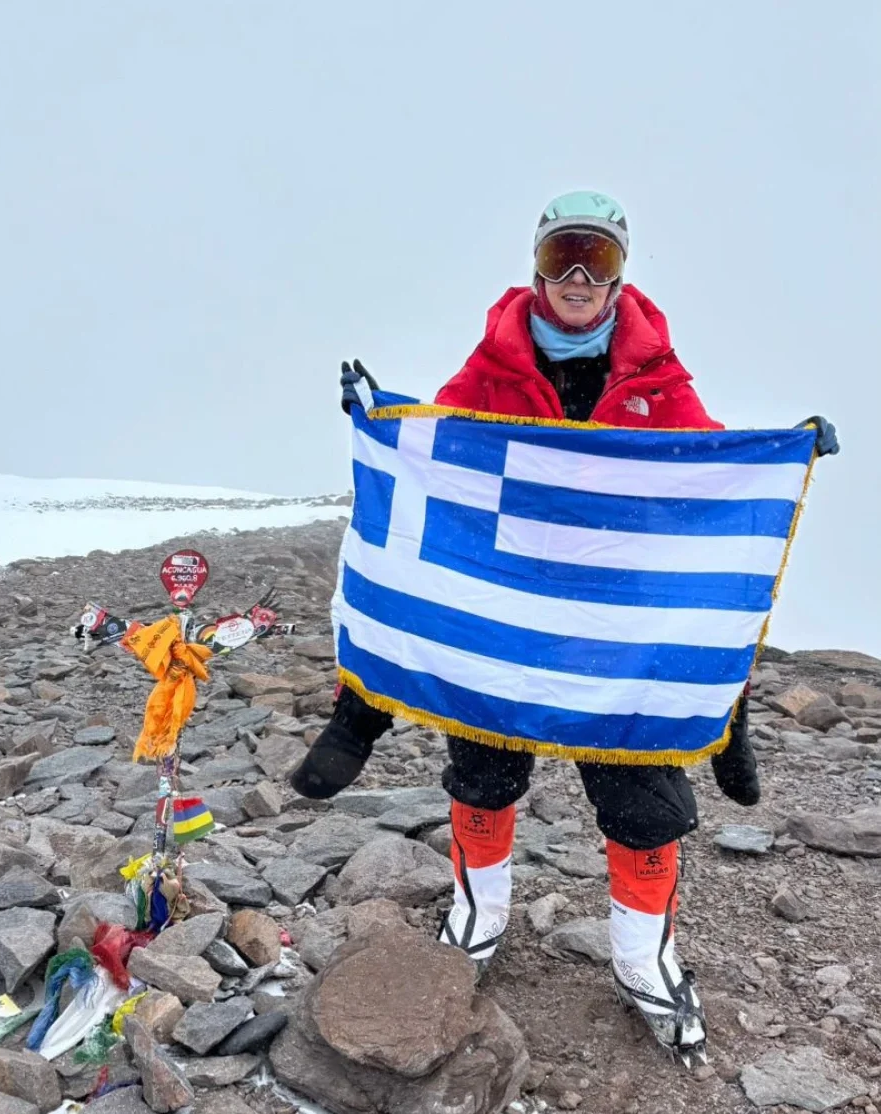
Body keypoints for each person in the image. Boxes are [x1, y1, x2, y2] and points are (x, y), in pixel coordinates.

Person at [290, 190, 839, 1064]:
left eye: (599, 259)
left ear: (622, 272)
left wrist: (780, 454)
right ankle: (481, 912)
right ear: (537, 265)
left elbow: (701, 492)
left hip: (609, 629)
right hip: (506, 621)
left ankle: (641, 957)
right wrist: (378, 420)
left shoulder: (658, 378)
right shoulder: (487, 369)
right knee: (483, 769)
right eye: (561, 257)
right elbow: (440, 483)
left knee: (645, 799)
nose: (579, 277)